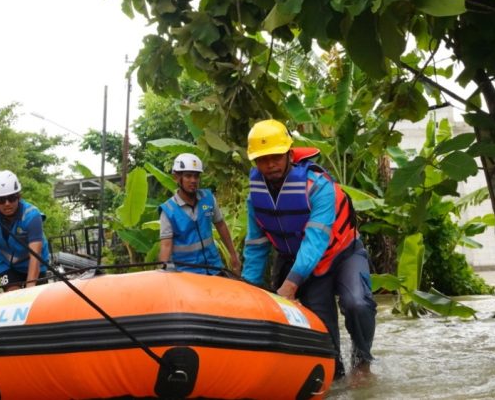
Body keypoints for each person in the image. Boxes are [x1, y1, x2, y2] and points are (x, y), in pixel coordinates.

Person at [241, 119, 376, 382]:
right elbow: (256, 245)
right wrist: (249, 288)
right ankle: (334, 374)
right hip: (298, 260)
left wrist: (290, 285)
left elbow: (316, 240)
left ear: (290, 154)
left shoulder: (318, 186)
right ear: (255, 162)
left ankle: (362, 362)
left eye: (276, 157)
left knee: (357, 303)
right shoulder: (255, 196)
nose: (270, 164)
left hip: (341, 253)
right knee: (322, 333)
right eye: (263, 159)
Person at [158, 153, 242, 276]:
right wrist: (163, 273)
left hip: (214, 267)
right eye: (188, 176)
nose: (193, 180)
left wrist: (233, 255)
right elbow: (166, 246)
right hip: (188, 274)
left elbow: (221, 225)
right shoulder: (168, 210)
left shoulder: (208, 198)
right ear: (176, 177)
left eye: (196, 176)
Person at [0, 170, 51, 291]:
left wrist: (30, 287)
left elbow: (35, 255)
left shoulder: (32, 216)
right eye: (1, 200)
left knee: (34, 294)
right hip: (7, 265)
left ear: (19, 197)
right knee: (13, 294)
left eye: (11, 198)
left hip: (35, 264)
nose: (7, 204)